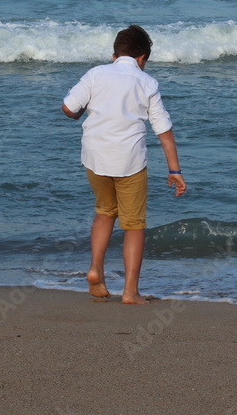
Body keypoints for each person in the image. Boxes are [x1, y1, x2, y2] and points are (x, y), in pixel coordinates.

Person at [61, 25, 187, 304]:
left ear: (114, 54)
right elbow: (163, 132)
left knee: (105, 211)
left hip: (94, 159)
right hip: (129, 161)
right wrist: (175, 171)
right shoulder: (147, 83)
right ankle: (130, 291)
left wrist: (83, 111)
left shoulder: (96, 73)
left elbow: (69, 108)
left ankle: (95, 270)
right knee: (133, 225)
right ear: (142, 58)